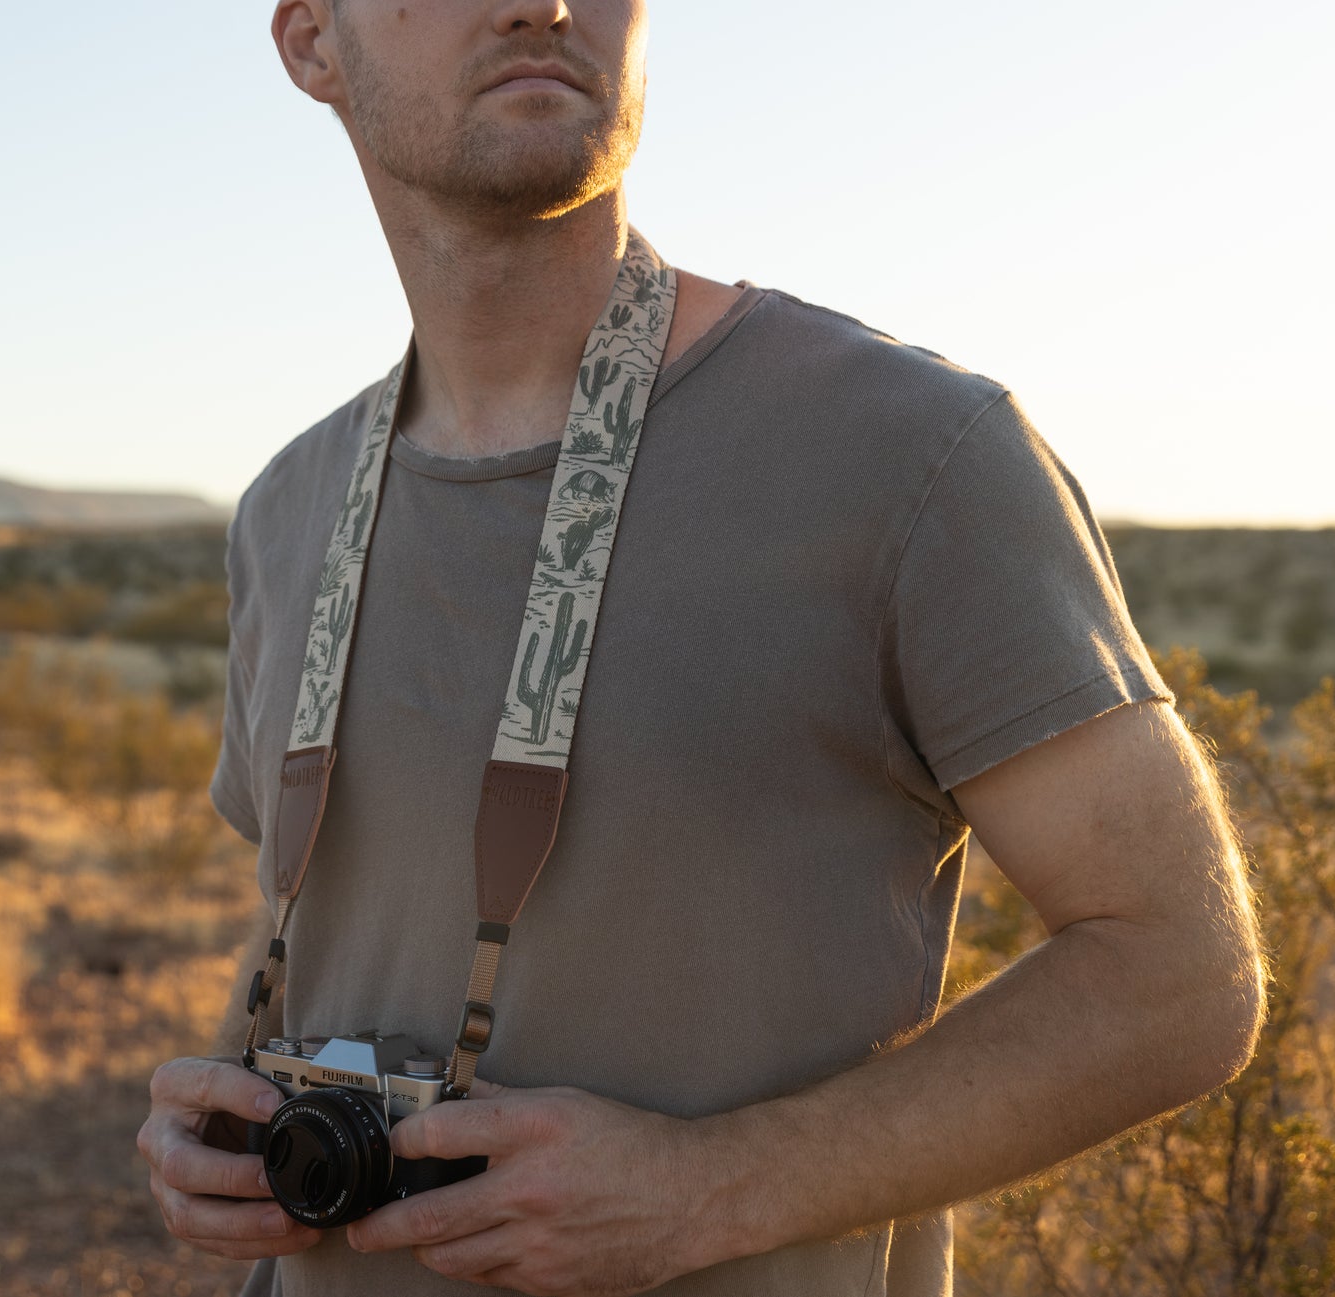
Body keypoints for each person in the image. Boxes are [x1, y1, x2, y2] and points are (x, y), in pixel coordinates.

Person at [135, 1, 1267, 1293]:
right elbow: (331, 920)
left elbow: (1178, 972)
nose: (543, 5)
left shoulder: (905, 450)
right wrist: (215, 1114)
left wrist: (711, 1188)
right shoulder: (289, 508)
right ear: (310, 45)